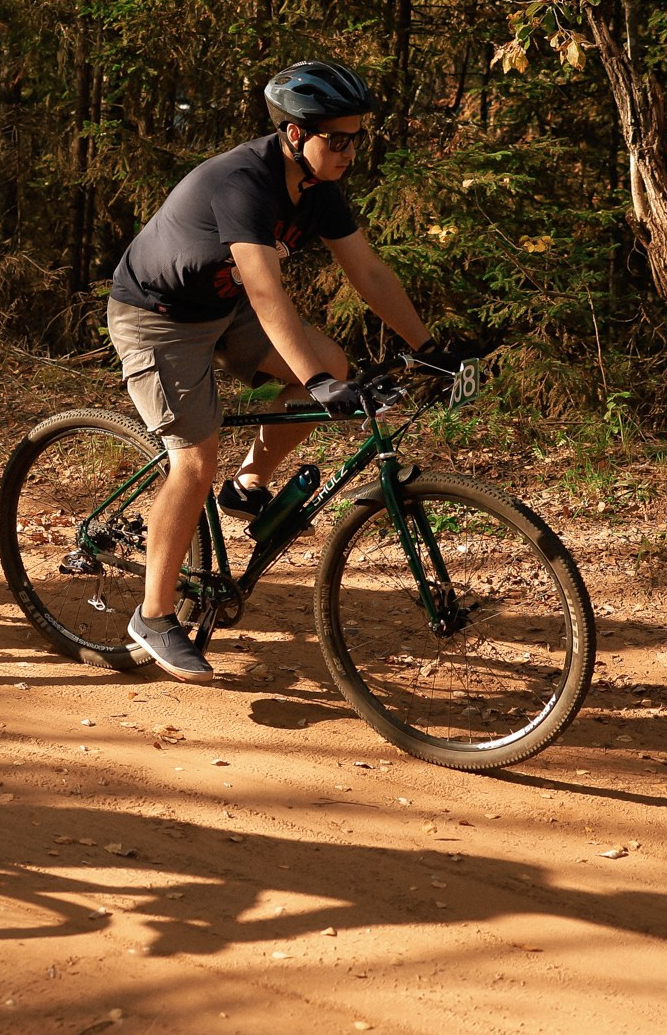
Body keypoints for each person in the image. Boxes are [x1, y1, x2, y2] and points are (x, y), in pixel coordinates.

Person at [106, 61, 455, 683]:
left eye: (356, 137)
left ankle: (248, 484)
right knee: (193, 458)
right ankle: (154, 616)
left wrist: (430, 346)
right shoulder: (244, 181)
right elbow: (268, 292)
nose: (350, 150)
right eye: (337, 138)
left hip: (222, 305)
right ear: (295, 135)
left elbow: (369, 275)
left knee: (331, 363)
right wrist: (319, 387)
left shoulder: (319, 189)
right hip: (156, 317)